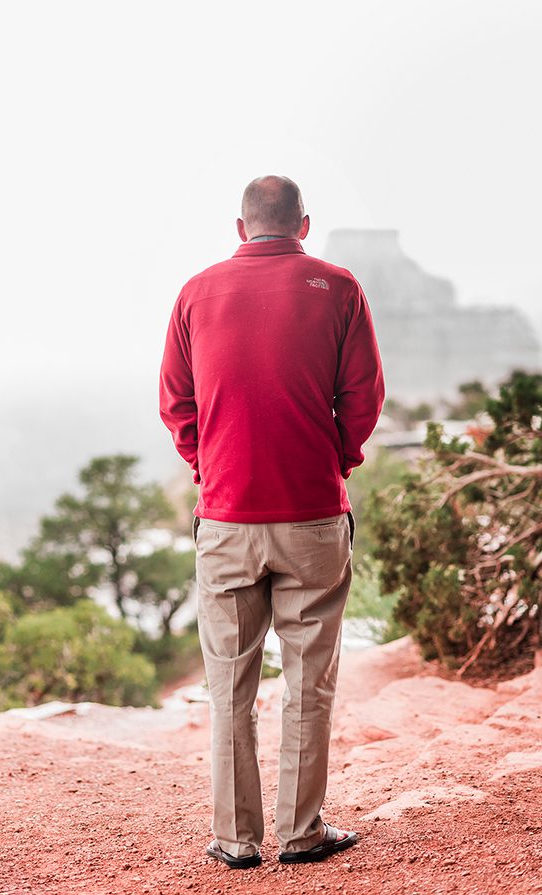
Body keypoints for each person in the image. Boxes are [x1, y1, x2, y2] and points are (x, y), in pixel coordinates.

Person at [158, 176, 384, 868]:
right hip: (313, 515)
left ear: (240, 227)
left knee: (230, 684)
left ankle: (234, 839)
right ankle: (302, 831)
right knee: (308, 681)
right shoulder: (338, 287)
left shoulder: (196, 293)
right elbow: (365, 395)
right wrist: (335, 461)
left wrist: (211, 469)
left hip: (226, 519)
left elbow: (175, 401)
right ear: (303, 224)